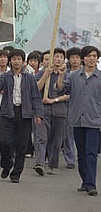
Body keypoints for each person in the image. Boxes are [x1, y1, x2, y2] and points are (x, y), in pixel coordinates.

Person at [0, 49, 43, 183]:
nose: (16, 61)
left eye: (19, 59)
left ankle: (16, 173)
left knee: (22, 145)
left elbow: (35, 97)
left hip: (24, 113)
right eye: (14, 59)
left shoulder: (29, 78)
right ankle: (7, 164)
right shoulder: (5, 76)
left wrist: (38, 114)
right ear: (10, 61)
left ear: (23, 61)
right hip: (8, 112)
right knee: (4, 142)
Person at [57, 45, 101, 196]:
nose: (92, 59)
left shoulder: (100, 77)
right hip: (77, 119)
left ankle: (91, 184)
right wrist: (61, 75)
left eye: (94, 56)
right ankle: (85, 180)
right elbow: (61, 90)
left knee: (91, 153)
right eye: (89, 56)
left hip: (94, 120)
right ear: (83, 58)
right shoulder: (74, 76)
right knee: (81, 153)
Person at [33, 48, 69, 176]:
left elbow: (67, 93)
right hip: (43, 111)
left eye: (61, 57)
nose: (58, 59)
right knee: (41, 137)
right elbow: (36, 88)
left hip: (60, 111)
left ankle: (52, 164)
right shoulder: (42, 72)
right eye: (56, 56)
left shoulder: (67, 74)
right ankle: (40, 163)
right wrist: (45, 75)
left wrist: (54, 100)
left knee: (57, 139)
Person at [63, 47, 82, 169]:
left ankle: (82, 156)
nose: (74, 60)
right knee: (68, 135)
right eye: (72, 58)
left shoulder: (85, 73)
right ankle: (70, 159)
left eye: (77, 57)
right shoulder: (65, 74)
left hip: (83, 107)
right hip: (67, 107)